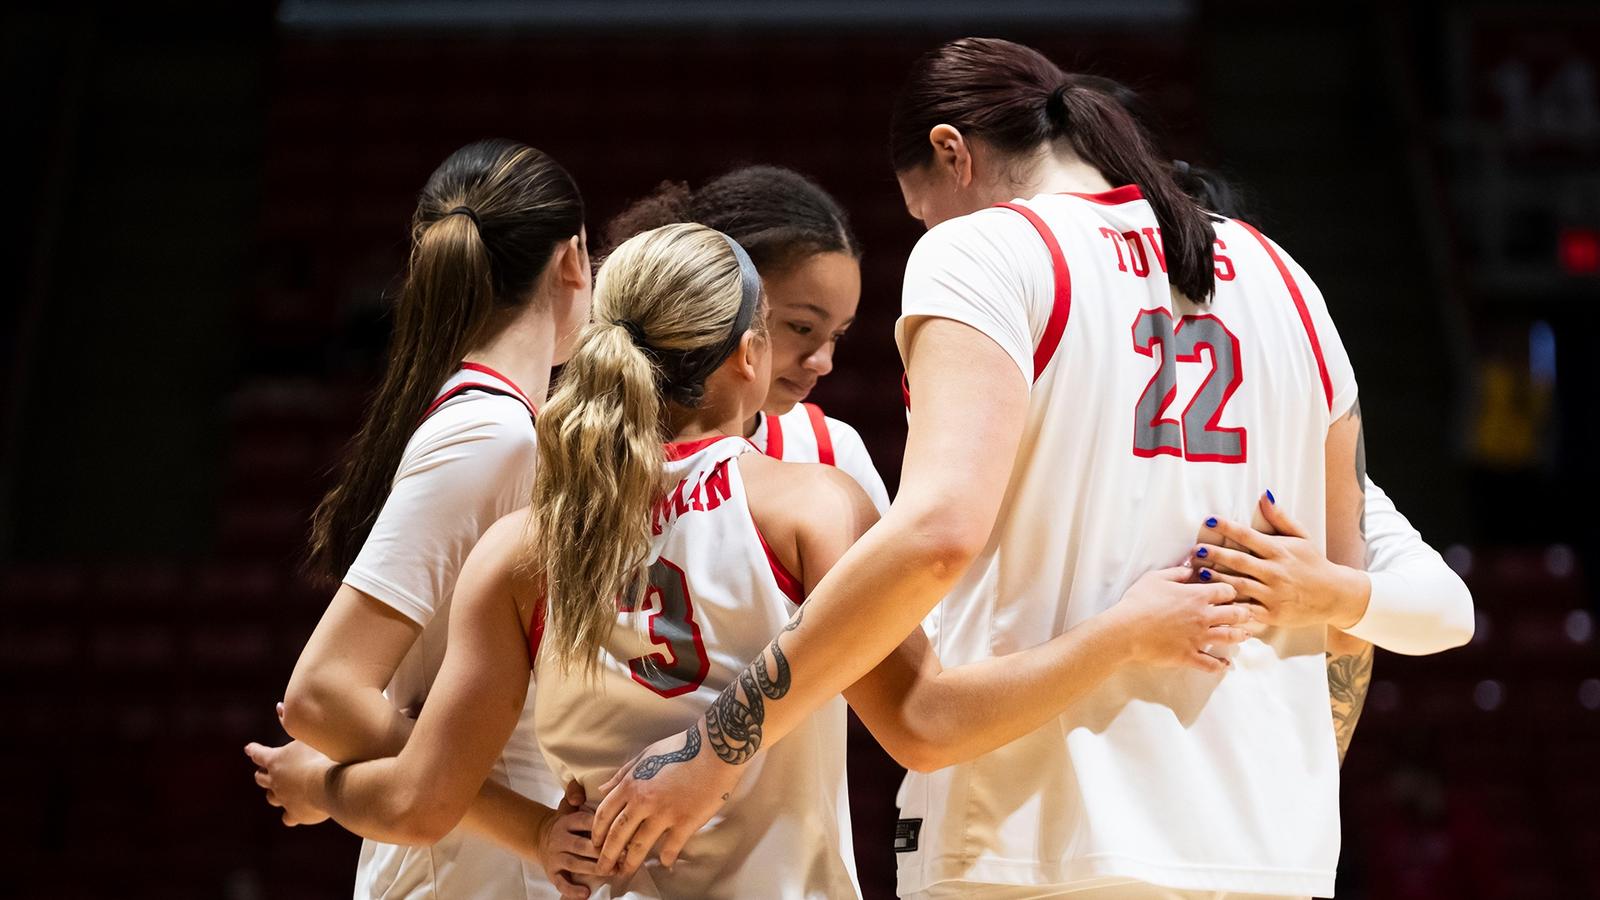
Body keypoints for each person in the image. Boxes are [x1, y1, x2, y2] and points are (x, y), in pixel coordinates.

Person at [589, 37, 1393, 899]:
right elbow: (1342, 609)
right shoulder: (1289, 280)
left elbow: (938, 535)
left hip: (1036, 833)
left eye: (920, 210)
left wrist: (722, 742)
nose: (928, 231)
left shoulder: (986, 251)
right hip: (1267, 847)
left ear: (951, 153)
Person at [245, 223, 1256, 898]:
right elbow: (929, 726)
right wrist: (1126, 632)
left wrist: (324, 786)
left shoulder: (523, 549)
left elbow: (422, 802)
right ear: (745, 356)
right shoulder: (810, 507)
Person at [1070, 74, 1474, 757]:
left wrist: (1330, 593)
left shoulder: (1288, 451)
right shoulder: (1077, 427)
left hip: (1242, 809)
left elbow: (1446, 610)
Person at [246, 138, 601, 899]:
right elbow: (324, 693)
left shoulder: (506, 425)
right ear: (574, 259)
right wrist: (524, 826)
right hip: (467, 873)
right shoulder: (491, 435)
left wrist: (333, 782)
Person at [605, 166, 890, 511]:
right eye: (801, 327)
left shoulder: (832, 448)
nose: (823, 362)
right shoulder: (590, 443)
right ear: (720, 293)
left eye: (838, 335)